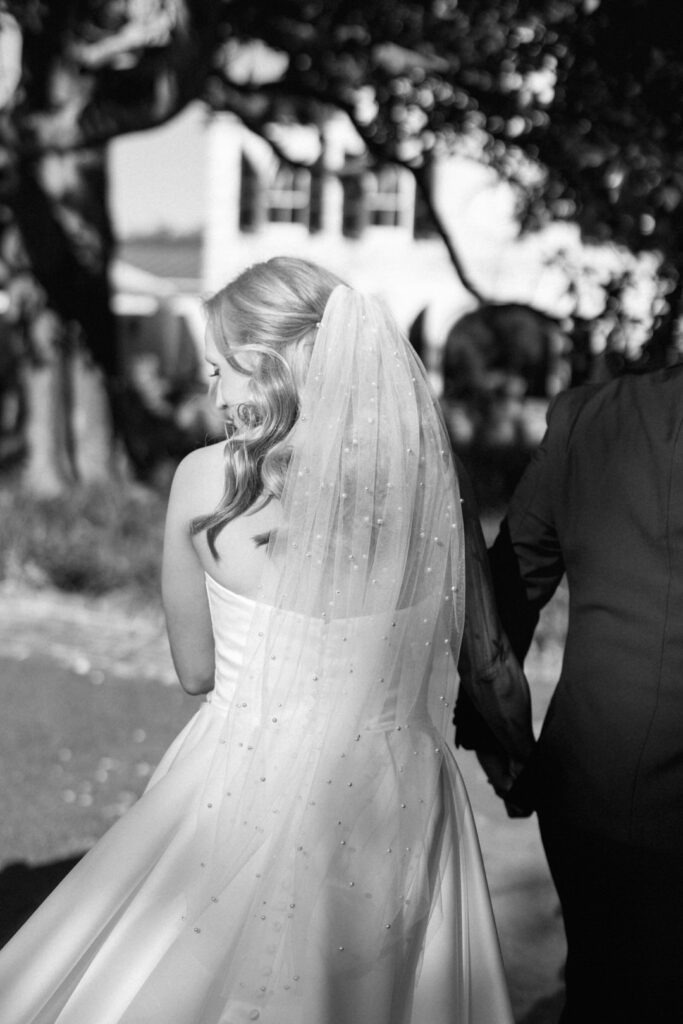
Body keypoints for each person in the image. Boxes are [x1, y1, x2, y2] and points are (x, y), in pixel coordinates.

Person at [0, 257, 533, 1024]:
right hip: (398, 785)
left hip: (241, 774)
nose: (211, 393)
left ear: (266, 363)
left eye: (219, 370)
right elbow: (474, 642)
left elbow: (194, 671)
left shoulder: (201, 481)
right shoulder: (430, 486)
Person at [485, 365, 683, 1022]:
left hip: (594, 779)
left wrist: (497, 735)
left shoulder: (590, 417)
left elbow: (507, 589)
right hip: (608, 792)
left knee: (602, 988)